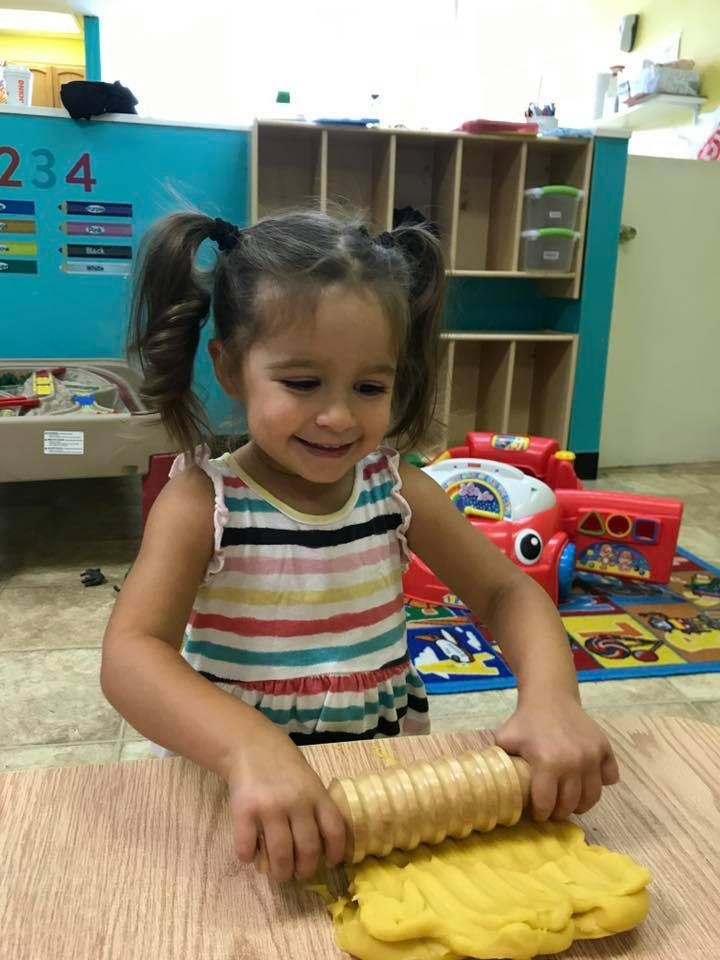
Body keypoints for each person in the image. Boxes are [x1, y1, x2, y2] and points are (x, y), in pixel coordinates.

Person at [101, 209, 619, 886]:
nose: (340, 416)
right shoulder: (204, 502)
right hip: (236, 783)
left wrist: (553, 700)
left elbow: (506, 590)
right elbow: (132, 655)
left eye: (369, 387)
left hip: (378, 781)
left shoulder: (396, 487)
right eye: (302, 383)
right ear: (228, 367)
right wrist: (248, 748)